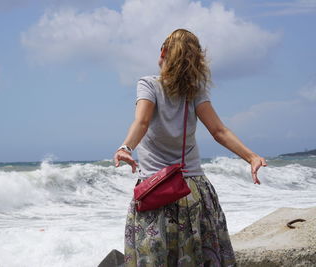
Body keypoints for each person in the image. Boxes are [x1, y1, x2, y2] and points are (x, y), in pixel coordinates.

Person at [113, 29, 267, 267]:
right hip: (193, 191)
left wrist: (126, 147)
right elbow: (219, 131)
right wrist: (252, 157)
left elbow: (142, 121)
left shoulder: (148, 85)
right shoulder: (195, 91)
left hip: (155, 190)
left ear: (163, 52)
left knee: (156, 259)